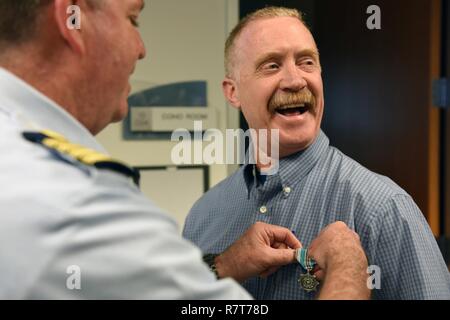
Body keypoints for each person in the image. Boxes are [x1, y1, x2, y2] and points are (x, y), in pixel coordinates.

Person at [0, 0, 370, 299]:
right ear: (72, 19)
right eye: (133, 19)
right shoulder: (78, 206)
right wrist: (348, 265)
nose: (141, 49)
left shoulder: (379, 208)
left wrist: (221, 265)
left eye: (307, 61)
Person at [183, 6, 450, 300]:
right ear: (232, 92)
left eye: (306, 62)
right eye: (271, 65)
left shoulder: (385, 209)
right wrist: (223, 266)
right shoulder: (203, 216)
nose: (296, 81)